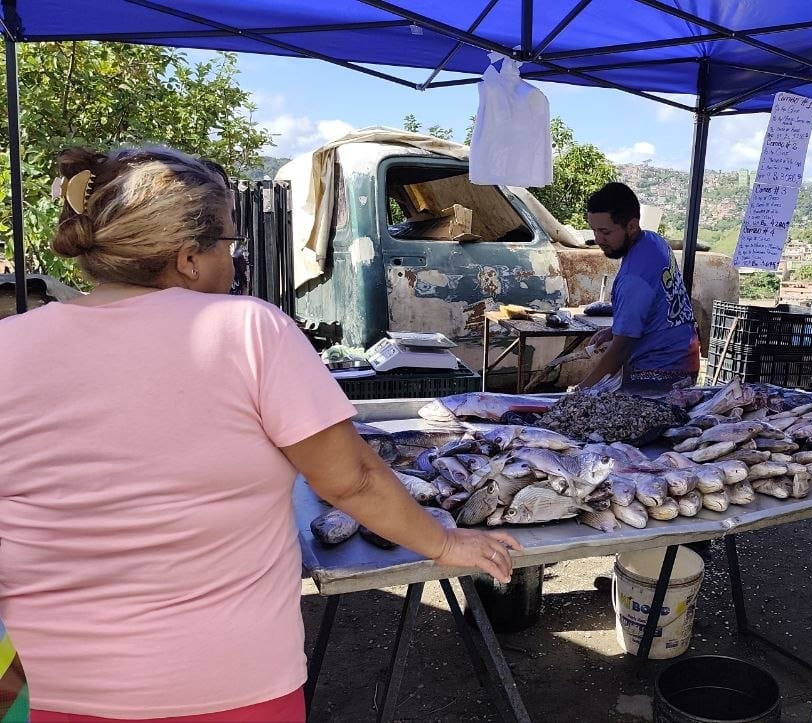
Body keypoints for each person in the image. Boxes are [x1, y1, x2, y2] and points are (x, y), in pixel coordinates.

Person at [0, 146, 521, 721]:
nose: (235, 258)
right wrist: (444, 544)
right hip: (229, 685)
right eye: (230, 242)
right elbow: (351, 480)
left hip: (46, 690)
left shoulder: (9, 345)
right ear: (188, 258)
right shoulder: (248, 330)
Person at [579, 182, 699, 386]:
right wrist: (614, 330)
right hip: (685, 359)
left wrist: (582, 389)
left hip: (659, 371)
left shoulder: (634, 279)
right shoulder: (653, 241)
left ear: (632, 226)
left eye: (605, 232)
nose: (598, 239)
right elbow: (657, 307)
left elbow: (621, 349)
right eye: (594, 230)